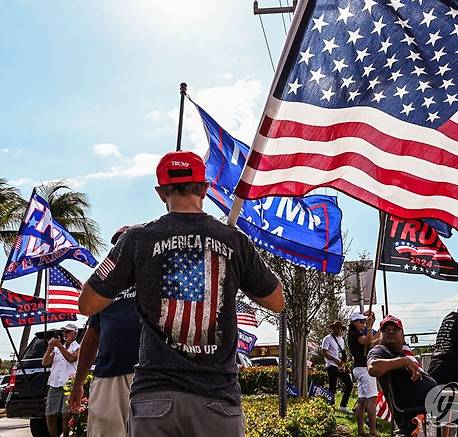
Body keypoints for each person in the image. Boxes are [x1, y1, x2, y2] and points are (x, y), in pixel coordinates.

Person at [78, 150, 284, 437]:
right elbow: (277, 300)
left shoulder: (137, 239)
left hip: (155, 397)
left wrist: (131, 268)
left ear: (161, 192)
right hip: (217, 398)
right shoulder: (234, 240)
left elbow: (87, 303)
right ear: (204, 188)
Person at [367, 315, 458, 437]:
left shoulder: (402, 354)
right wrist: (404, 361)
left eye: (395, 329)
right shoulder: (380, 351)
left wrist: (450, 393)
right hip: (423, 413)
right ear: (381, 335)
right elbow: (373, 368)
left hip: (438, 405)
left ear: (402, 335)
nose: (390, 331)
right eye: (386, 329)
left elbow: (424, 389)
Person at [69, 226, 141, 437]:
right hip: (107, 375)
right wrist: (78, 384)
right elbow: (92, 337)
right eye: (118, 246)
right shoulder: (103, 290)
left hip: (151, 374)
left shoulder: (154, 277)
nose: (123, 250)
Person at [41, 323, 80, 437]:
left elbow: (71, 358)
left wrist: (59, 346)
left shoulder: (78, 347)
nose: (64, 334)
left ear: (74, 333)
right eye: (63, 332)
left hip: (68, 384)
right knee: (50, 414)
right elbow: (44, 362)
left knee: (66, 415)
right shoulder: (58, 349)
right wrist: (50, 347)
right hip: (55, 384)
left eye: (67, 332)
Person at [348, 312, 380, 436]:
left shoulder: (358, 332)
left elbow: (372, 339)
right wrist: (370, 327)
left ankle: (361, 430)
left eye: (363, 321)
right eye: (361, 321)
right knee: (372, 399)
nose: (363, 323)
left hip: (359, 368)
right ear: (354, 323)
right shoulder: (354, 334)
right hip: (363, 369)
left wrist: (373, 323)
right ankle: (373, 430)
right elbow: (368, 341)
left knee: (362, 401)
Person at [321, 320, 353, 413]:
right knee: (332, 387)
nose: (338, 330)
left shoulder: (342, 340)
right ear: (333, 328)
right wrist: (334, 360)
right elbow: (324, 352)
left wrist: (345, 366)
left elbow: (343, 354)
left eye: (340, 328)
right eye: (336, 328)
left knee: (349, 384)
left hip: (341, 366)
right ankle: (331, 407)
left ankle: (343, 406)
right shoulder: (327, 338)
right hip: (331, 365)